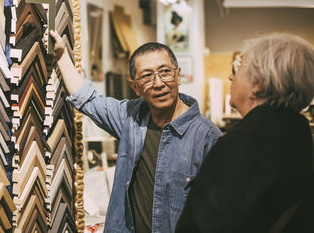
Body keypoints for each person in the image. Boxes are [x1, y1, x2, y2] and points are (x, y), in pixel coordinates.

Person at [44, 30, 222, 232]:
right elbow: (88, 99)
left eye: (165, 72)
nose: (158, 83)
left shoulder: (208, 137)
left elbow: (220, 211)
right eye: (147, 76)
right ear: (135, 87)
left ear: (178, 75)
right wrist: (60, 56)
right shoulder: (130, 118)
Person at [175, 33, 314, 233]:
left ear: (257, 83)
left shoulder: (248, 141)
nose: (231, 76)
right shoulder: (295, 131)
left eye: (238, 67)